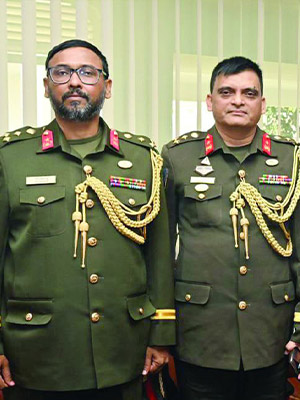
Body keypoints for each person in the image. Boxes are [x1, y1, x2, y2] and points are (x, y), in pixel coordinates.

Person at [0, 39, 174, 399]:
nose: (75, 81)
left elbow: (158, 256)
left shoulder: (143, 159)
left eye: (87, 73)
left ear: (106, 87)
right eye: (62, 73)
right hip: (36, 356)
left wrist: (160, 335)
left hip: (123, 351)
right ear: (46, 86)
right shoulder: (11, 159)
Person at [162, 56, 300, 400]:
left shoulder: (291, 160)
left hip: (271, 333)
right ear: (210, 101)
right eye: (227, 92)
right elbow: (161, 250)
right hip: (201, 332)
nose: (238, 100)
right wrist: (160, 330)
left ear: (262, 104)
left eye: (249, 93)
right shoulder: (178, 158)